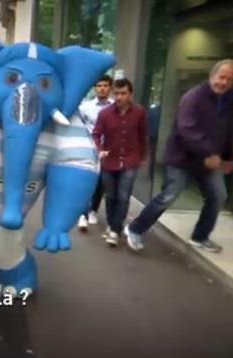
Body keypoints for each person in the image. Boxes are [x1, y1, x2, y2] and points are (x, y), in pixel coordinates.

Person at [125, 59, 233, 253]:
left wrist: (227, 157)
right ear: (212, 76)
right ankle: (135, 229)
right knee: (169, 195)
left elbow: (229, 131)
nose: (224, 82)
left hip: (209, 161)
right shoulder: (193, 97)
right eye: (222, 77)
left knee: (218, 195)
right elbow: (187, 129)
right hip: (182, 159)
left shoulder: (229, 101)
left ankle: (200, 237)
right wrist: (208, 153)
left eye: (230, 79)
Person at [92, 78, 147, 246]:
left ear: (130, 94)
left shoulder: (139, 112)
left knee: (123, 197)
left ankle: (115, 231)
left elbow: (143, 135)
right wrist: (100, 149)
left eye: (123, 93)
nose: (119, 97)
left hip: (131, 160)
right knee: (111, 196)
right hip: (110, 160)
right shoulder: (105, 113)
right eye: (116, 93)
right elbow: (95, 134)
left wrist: (143, 157)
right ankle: (112, 224)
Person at [77, 75, 114, 231]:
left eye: (105, 85)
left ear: (110, 88)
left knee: (101, 183)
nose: (102, 88)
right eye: (99, 85)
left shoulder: (114, 106)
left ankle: (93, 210)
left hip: (109, 150)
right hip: (90, 148)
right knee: (87, 180)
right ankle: (82, 214)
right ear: (95, 88)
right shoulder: (86, 107)